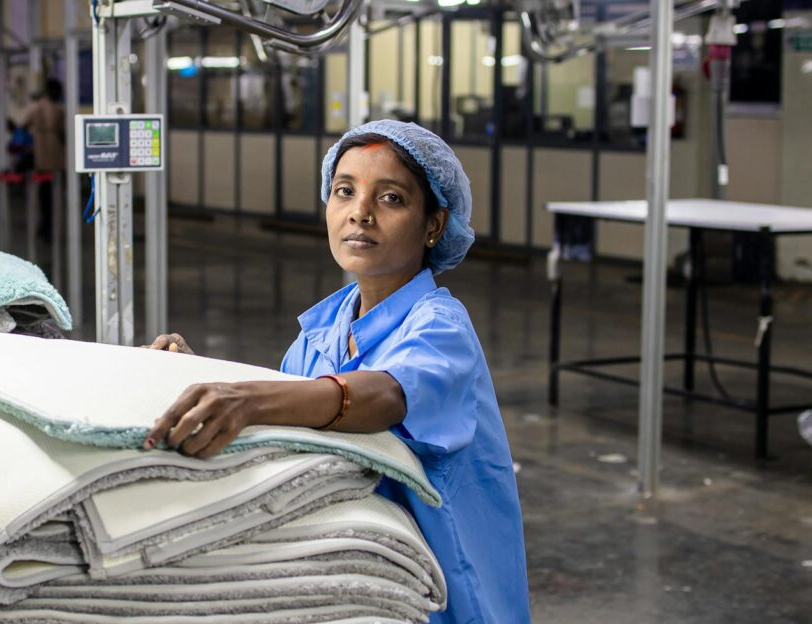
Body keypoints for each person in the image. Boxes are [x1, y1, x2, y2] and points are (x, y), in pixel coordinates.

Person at [143, 120, 530, 623]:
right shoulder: (322, 331)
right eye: (344, 191)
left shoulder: (440, 327)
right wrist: (199, 376)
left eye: (390, 199)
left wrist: (249, 398)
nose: (360, 214)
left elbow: (385, 397)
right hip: (363, 582)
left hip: (445, 594)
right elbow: (292, 415)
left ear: (434, 226)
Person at [13, 77, 66, 240]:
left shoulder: (35, 108)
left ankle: (45, 225)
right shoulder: (58, 110)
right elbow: (63, 135)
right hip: (55, 158)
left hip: (41, 159)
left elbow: (22, 127)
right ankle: (49, 225)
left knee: (44, 194)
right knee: (52, 194)